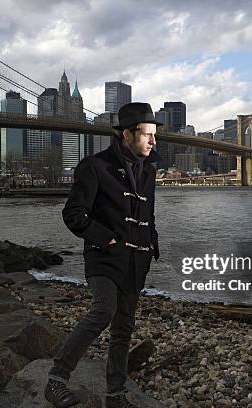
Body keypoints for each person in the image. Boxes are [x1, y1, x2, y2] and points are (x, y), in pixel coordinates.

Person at [45, 102, 162, 408]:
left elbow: (146, 214)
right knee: (103, 310)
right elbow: (73, 214)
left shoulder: (148, 171)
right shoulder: (94, 167)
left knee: (124, 328)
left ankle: (116, 396)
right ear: (127, 134)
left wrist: (152, 243)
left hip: (137, 262)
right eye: (147, 134)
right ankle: (56, 381)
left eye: (154, 135)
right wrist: (107, 240)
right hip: (104, 257)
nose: (153, 141)